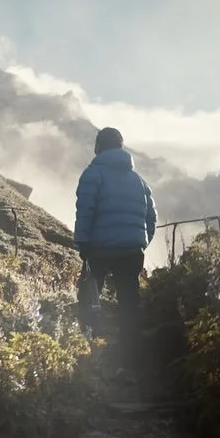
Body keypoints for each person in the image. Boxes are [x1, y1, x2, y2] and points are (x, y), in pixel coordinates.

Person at [74, 127, 157, 378]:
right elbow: (151, 217)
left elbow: (85, 210)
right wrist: (140, 241)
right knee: (129, 305)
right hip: (132, 250)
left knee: (88, 296)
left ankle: (85, 354)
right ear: (121, 147)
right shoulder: (139, 180)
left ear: (98, 148)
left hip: (99, 248)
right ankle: (129, 364)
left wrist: (83, 244)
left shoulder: (93, 174)